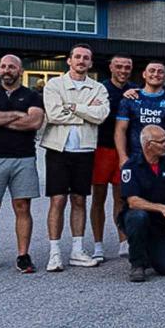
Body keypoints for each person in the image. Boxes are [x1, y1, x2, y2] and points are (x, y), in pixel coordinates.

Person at [39, 44, 110, 273]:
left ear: (90, 63)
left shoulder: (98, 88)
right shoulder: (54, 85)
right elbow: (54, 114)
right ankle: (55, 252)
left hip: (85, 150)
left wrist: (71, 106)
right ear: (69, 60)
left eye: (86, 58)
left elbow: (100, 116)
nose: (81, 60)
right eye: (77, 56)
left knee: (79, 200)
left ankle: (77, 250)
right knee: (57, 200)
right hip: (58, 150)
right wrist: (84, 111)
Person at [0, 55, 44, 276]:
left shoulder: (32, 95)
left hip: (23, 158)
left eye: (11, 66)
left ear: (20, 70)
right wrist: (15, 115)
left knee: (22, 207)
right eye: (3, 66)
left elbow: (34, 121)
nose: (6, 70)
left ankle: (23, 256)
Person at [120, 126, 165, 281]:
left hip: (161, 223)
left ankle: (151, 249)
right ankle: (137, 264)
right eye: (162, 142)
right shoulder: (131, 166)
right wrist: (161, 208)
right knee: (138, 217)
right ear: (148, 145)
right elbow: (133, 201)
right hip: (139, 218)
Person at [92, 54, 136, 260]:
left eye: (127, 67)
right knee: (98, 198)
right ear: (110, 67)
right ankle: (98, 244)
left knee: (121, 198)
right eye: (119, 66)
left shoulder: (136, 90)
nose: (123, 70)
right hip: (102, 148)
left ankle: (123, 241)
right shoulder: (100, 89)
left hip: (125, 151)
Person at [115, 60, 165, 175]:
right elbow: (120, 130)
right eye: (152, 71)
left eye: (160, 72)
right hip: (136, 157)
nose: (156, 74)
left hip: (164, 158)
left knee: (164, 192)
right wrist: (122, 156)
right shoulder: (129, 99)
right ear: (144, 74)